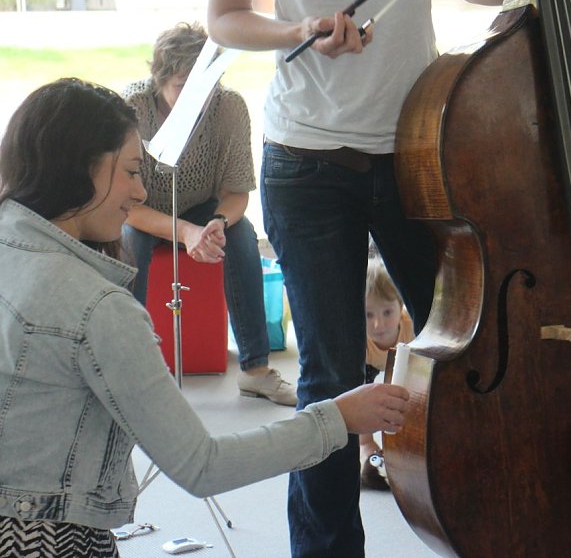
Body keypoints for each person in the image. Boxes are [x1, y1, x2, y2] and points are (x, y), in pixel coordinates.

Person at [206, 0, 571, 555]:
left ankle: (495, 528)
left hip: (420, 144)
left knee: (471, 352)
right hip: (306, 161)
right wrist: (297, 30)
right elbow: (225, 19)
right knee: (331, 376)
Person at [0, 78, 411, 557]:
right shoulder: (98, 309)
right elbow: (202, 464)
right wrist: (338, 416)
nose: (139, 191)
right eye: (132, 172)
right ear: (82, 168)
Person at [121, 22, 297, 406]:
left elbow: (237, 191)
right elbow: (125, 205)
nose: (196, 98)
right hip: (145, 206)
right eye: (184, 86)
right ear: (160, 80)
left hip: (203, 204)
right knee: (128, 243)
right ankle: (126, 367)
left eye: (206, 83)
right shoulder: (133, 107)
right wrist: (184, 232)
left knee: (242, 234)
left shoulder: (229, 107)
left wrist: (217, 222)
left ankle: (255, 370)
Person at [360, 258, 415, 490]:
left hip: (405, 357)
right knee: (362, 397)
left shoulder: (411, 326)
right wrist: (366, 439)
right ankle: (365, 444)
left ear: (400, 305)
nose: (378, 324)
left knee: (411, 396)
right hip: (369, 362)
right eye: (368, 315)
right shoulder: (360, 339)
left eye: (387, 312)